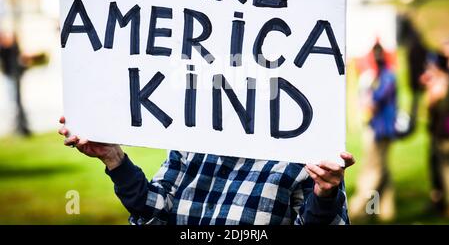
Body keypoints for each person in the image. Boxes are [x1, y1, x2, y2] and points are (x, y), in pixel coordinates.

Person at [58, 116, 355, 225]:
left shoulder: (304, 154)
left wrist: (325, 195)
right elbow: (155, 212)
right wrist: (114, 158)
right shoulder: (194, 140)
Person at [350, 43, 398, 222]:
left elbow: (374, 101)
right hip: (380, 129)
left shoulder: (386, 77)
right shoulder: (380, 76)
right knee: (383, 171)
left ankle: (356, 211)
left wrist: (368, 98)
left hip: (380, 131)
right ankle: (384, 211)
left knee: (372, 173)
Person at [420, 47, 449, 216]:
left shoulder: (440, 84)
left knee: (445, 171)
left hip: (443, 134)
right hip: (440, 133)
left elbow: (430, 105)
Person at [0, 31, 31, 136]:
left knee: (16, 102)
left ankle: (22, 126)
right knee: (15, 102)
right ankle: (19, 126)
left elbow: (21, 63)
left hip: (15, 77)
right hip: (10, 77)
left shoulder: (13, 48)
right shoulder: (6, 49)